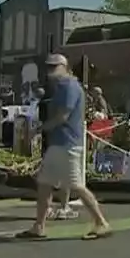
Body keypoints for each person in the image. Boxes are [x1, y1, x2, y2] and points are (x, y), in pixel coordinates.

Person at [17, 55, 111, 240]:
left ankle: (101, 222)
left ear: (64, 67)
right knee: (44, 184)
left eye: (54, 67)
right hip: (57, 143)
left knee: (77, 186)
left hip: (68, 144)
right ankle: (39, 226)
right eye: (48, 67)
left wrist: (39, 129)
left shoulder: (69, 87)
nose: (50, 70)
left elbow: (63, 116)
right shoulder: (60, 87)